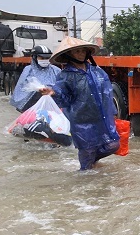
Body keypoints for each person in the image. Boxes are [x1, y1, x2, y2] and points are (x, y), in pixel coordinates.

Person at [39, 37, 119, 170]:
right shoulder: (66, 75)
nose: (81, 54)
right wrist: (53, 92)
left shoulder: (97, 71)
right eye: (77, 52)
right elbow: (63, 97)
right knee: (87, 153)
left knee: (113, 145)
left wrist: (113, 112)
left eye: (83, 51)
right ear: (69, 55)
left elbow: (107, 92)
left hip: (101, 118)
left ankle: (91, 161)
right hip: (81, 121)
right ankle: (85, 176)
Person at [9, 45, 61, 112]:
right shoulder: (28, 70)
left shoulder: (56, 70)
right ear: (34, 57)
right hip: (32, 106)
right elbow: (21, 88)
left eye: (47, 58)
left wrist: (51, 90)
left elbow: (62, 88)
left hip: (52, 106)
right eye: (42, 58)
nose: (45, 60)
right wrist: (34, 88)